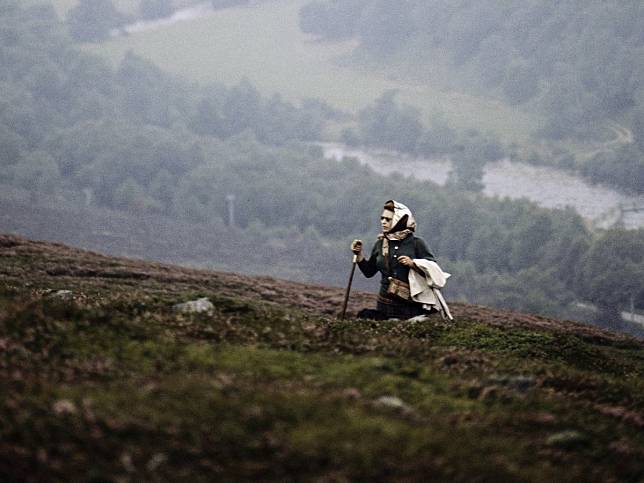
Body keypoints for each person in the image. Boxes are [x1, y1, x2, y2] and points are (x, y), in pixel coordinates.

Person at [351, 199, 439, 320]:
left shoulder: (416, 244)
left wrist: (413, 264)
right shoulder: (380, 244)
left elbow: (433, 270)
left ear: (399, 220)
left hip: (411, 307)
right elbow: (369, 272)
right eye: (382, 218)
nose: (383, 222)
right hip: (384, 307)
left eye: (388, 219)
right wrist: (359, 254)